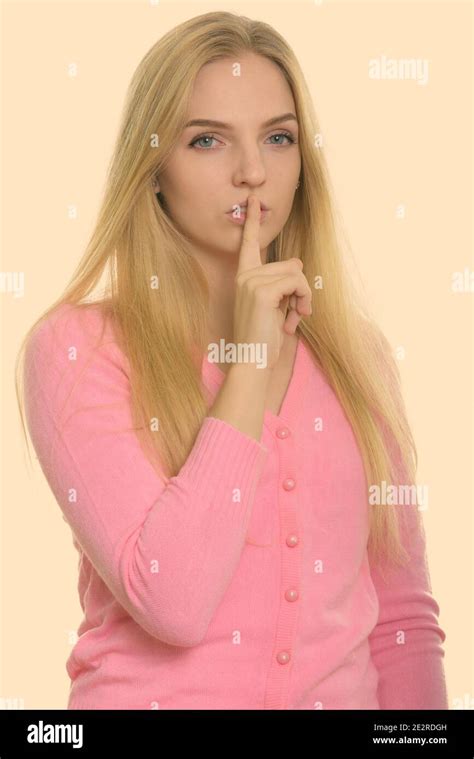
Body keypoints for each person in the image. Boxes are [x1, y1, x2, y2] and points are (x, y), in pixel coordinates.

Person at [16, 11, 448, 710]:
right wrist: (250, 360)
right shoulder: (75, 349)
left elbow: (402, 623)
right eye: (208, 140)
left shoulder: (359, 357)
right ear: (152, 167)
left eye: (278, 137)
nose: (254, 173)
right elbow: (174, 599)